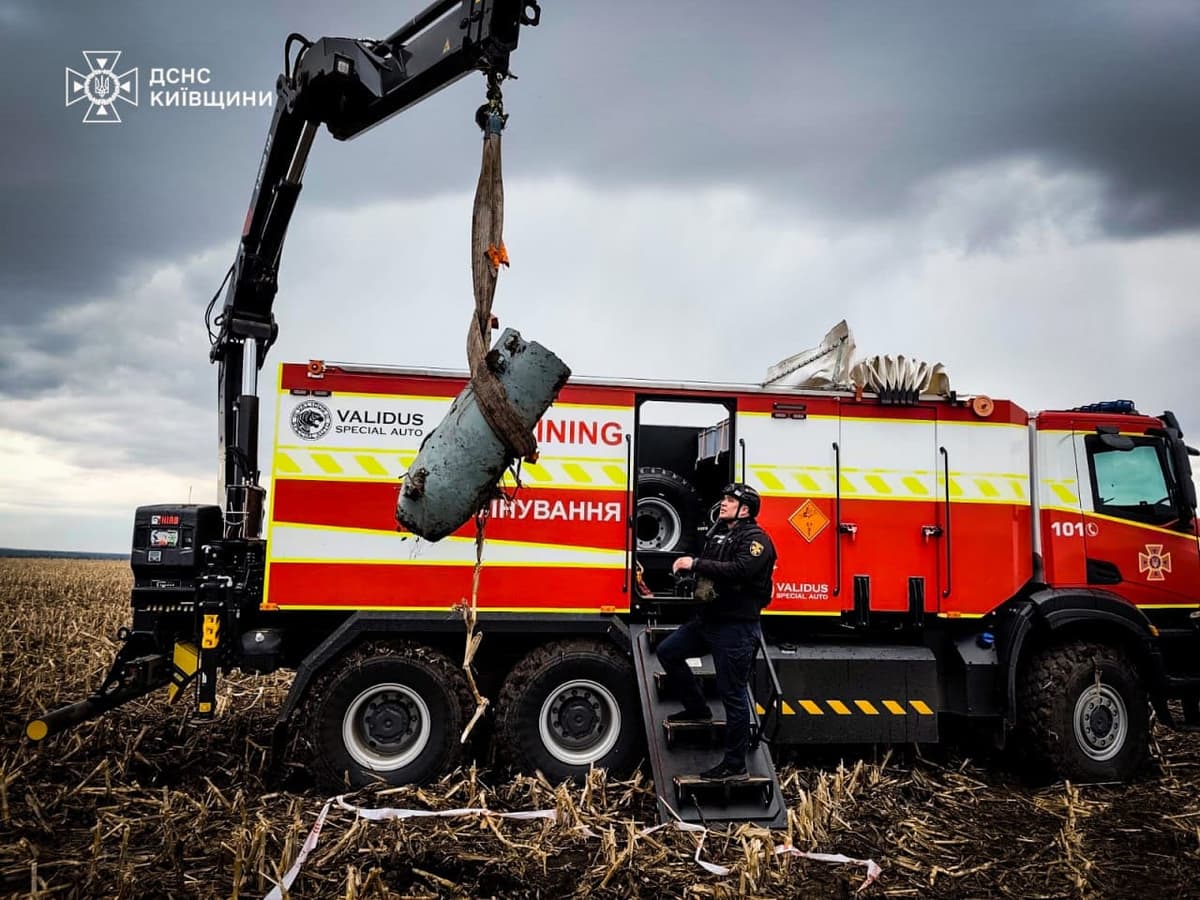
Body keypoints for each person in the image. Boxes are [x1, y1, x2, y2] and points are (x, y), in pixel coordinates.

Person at [656, 482, 777, 781]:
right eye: (723, 498)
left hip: (736, 628)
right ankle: (697, 709)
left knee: (732, 695)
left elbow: (739, 570)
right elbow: (712, 571)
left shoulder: (756, 539)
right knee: (668, 651)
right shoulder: (721, 534)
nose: (723, 503)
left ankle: (735, 766)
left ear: (745, 509)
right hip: (708, 620)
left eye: (729, 500)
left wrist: (694, 563)